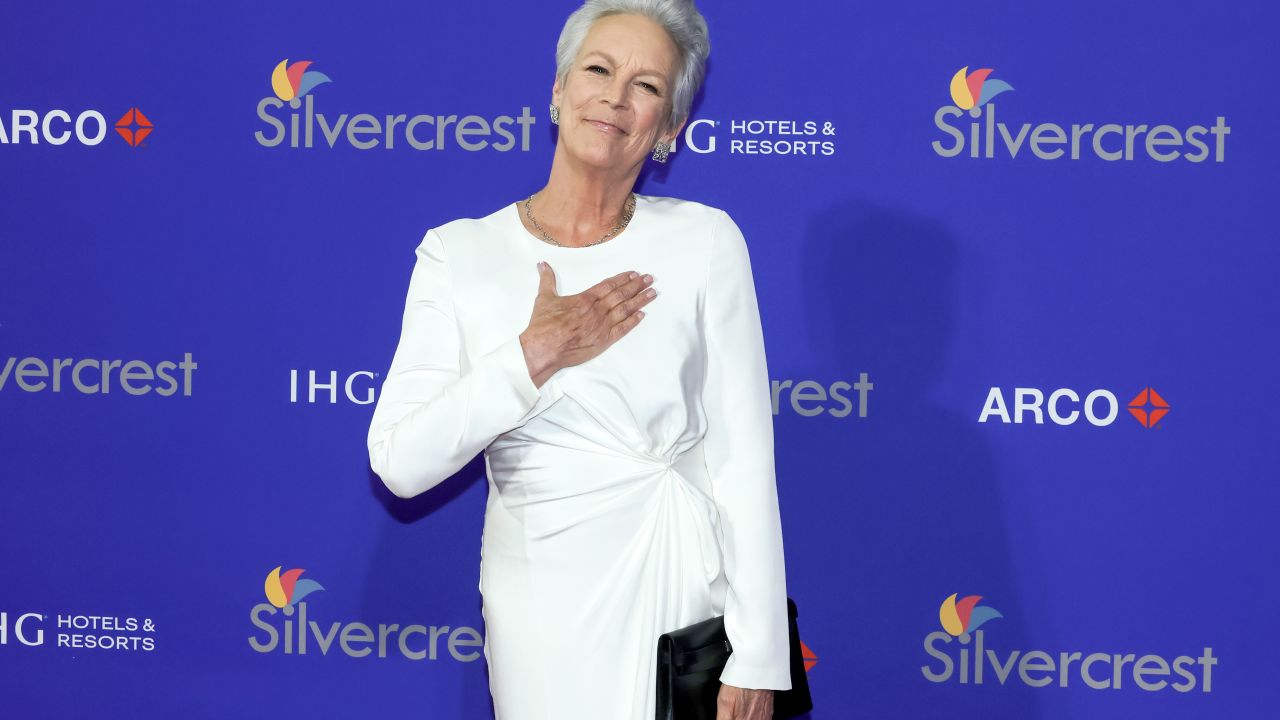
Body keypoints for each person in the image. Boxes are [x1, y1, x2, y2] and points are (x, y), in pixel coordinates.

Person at [366, 2, 791, 718]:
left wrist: (759, 654)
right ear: (558, 91)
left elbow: (742, 458)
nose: (616, 97)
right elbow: (401, 463)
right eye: (598, 69)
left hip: (682, 586)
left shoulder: (706, 241)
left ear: (669, 129)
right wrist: (533, 355)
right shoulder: (459, 254)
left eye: (648, 85)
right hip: (539, 598)